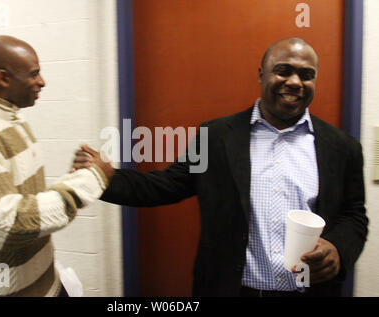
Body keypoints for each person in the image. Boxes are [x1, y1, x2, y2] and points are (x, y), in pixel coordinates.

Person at [73, 38, 368, 297]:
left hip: (310, 291)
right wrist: (106, 177)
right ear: (261, 74)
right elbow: (164, 186)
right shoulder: (215, 137)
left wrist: (337, 249)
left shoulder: (342, 147)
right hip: (231, 289)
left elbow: (354, 215)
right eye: (284, 70)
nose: (295, 82)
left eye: (307, 75)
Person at [0, 35, 114, 297]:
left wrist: (73, 177)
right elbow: (8, 226)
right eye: (34, 74)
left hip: (44, 285)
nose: (42, 82)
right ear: (4, 79)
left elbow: (23, 202)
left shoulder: (10, 118)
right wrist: (92, 180)